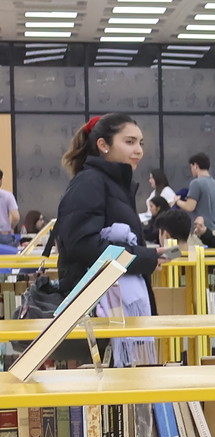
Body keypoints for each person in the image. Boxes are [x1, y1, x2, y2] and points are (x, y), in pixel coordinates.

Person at [55, 113, 161, 364]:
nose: (138, 151)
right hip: (100, 313)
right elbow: (82, 245)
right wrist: (146, 258)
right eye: (130, 142)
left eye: (141, 143)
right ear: (103, 145)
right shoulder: (91, 182)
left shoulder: (113, 185)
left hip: (110, 310)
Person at [176, 153, 215, 247]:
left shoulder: (196, 183)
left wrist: (177, 201)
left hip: (200, 231)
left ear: (196, 165)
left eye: (191, 167)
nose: (191, 170)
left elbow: (190, 207)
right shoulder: (214, 183)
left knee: (194, 260)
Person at [0, 172, 18, 252]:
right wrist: (11, 227)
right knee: (8, 259)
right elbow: (16, 217)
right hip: (4, 232)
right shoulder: (7, 195)